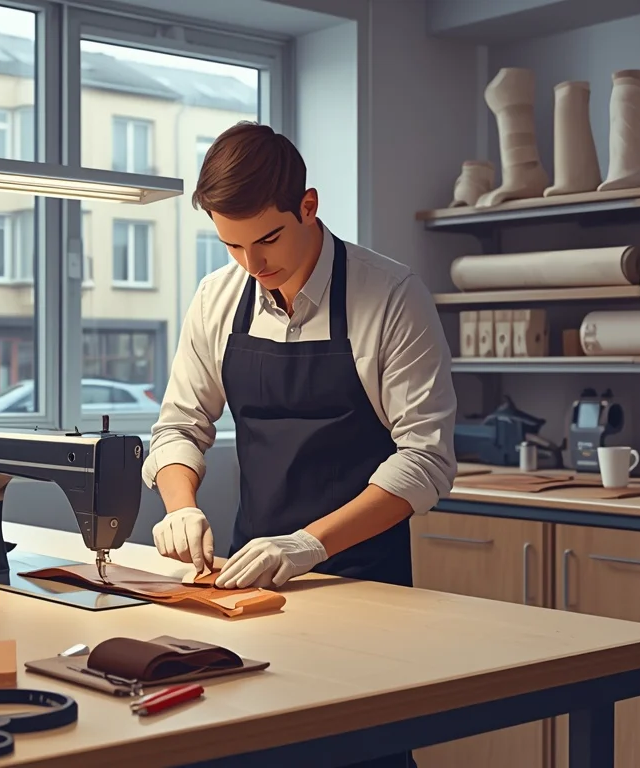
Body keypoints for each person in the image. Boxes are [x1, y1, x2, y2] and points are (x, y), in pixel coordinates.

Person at [144, 122, 456, 766]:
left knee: (359, 751)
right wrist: (180, 506)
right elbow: (179, 426)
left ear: (307, 207)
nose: (253, 266)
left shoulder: (391, 296)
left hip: (365, 585)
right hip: (246, 585)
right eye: (232, 245)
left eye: (267, 239)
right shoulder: (217, 297)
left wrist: (308, 545)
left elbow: (425, 458)